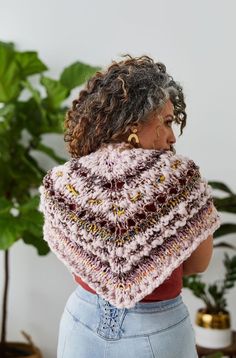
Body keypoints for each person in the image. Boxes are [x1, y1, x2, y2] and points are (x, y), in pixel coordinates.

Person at [39, 55, 221, 358]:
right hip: (158, 328)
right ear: (135, 123)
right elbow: (197, 264)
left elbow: (79, 258)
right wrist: (154, 259)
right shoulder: (180, 177)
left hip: (81, 322)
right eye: (166, 122)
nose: (172, 136)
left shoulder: (64, 180)